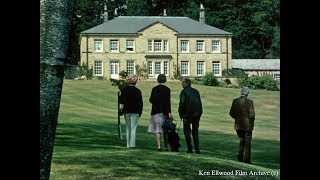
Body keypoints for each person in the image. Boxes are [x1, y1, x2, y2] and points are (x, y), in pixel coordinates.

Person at [229, 86, 255, 164]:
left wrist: (237, 119)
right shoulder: (250, 102)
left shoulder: (235, 101)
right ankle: (246, 160)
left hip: (238, 125)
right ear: (247, 93)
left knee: (242, 140)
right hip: (247, 126)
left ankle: (240, 156)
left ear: (241, 92)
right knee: (247, 143)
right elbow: (252, 115)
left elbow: (231, 113)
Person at [148, 74, 173, 152]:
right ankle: (166, 146)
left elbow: (151, 100)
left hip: (156, 111)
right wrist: (169, 112)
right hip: (165, 111)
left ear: (158, 80)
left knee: (158, 130)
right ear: (165, 80)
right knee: (165, 130)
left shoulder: (154, 89)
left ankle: (159, 146)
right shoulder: (167, 89)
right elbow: (168, 102)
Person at [178, 77, 203, 154]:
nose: (181, 83)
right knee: (195, 132)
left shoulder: (184, 92)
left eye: (183, 82)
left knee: (187, 132)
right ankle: (197, 149)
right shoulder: (196, 91)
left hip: (187, 115)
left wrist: (181, 113)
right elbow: (199, 103)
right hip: (196, 115)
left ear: (187, 83)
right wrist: (199, 113)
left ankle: (190, 148)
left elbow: (182, 103)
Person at [119, 74, 143, 149]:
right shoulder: (138, 91)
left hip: (127, 111)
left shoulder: (124, 90)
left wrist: (120, 111)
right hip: (135, 111)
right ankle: (132, 144)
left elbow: (121, 102)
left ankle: (128, 144)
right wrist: (140, 111)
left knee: (128, 127)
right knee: (133, 128)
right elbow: (140, 103)